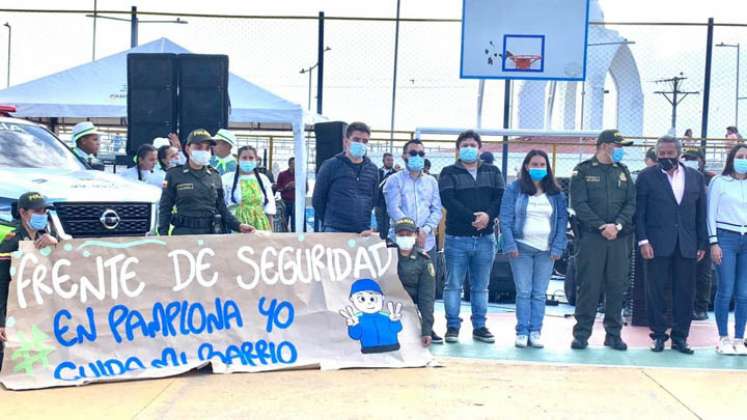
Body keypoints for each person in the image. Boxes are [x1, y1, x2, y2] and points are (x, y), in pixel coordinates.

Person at [636, 136, 706, 355]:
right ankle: (657, 335)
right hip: (656, 243)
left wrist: (702, 242)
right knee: (655, 290)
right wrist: (643, 240)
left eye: (670, 153)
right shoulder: (646, 177)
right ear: (657, 155)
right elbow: (639, 213)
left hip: (687, 243)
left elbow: (701, 213)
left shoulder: (695, 177)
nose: (666, 157)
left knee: (685, 292)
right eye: (662, 154)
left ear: (679, 153)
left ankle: (680, 338)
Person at [569, 129, 635, 351]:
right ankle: (582, 334)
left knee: (617, 286)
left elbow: (630, 204)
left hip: (618, 238)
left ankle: (613, 333)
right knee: (589, 285)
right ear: (605, 145)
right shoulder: (583, 171)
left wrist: (616, 225)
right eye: (618, 146)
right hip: (591, 238)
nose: (621, 150)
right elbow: (579, 204)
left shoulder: (623, 172)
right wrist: (601, 226)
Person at [438, 129, 505, 344]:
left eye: (472, 145)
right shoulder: (448, 172)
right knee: (453, 284)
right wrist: (473, 218)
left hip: (486, 239)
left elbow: (500, 198)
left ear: (480, 148)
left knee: (481, 286)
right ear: (458, 149)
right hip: (457, 238)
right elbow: (448, 200)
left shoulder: (493, 171)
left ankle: (480, 326)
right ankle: (452, 326)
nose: (468, 149)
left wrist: (488, 216)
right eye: (464, 145)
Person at [500, 150, 568, 349]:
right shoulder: (514, 189)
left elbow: (562, 221)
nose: (538, 168)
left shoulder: (556, 194)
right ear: (526, 166)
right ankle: (522, 331)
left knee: (539, 293)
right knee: (523, 291)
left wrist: (558, 246)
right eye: (534, 164)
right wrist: (510, 244)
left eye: (542, 165)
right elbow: (505, 218)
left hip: (547, 251)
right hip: (521, 249)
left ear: (547, 168)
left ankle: (535, 331)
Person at [158, 129, 255, 236]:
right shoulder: (174, 174)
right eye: (198, 147)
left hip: (210, 234)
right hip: (183, 234)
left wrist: (238, 225)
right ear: (187, 148)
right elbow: (165, 209)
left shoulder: (215, 175)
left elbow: (222, 208)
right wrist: (163, 237)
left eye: (207, 148)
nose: (203, 151)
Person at [0, 192, 59, 365]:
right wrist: (1, 322)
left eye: (45, 211)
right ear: (23, 213)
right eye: (38, 211)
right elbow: (2, 284)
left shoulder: (47, 236)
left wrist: (56, 243)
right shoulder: (12, 241)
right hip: (16, 309)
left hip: (40, 308)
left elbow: (65, 266)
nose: (43, 215)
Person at [708, 144, 747, 355]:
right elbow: (710, 214)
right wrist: (714, 242)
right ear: (732, 158)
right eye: (740, 156)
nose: (743, 160)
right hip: (726, 238)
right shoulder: (719, 182)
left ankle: (739, 338)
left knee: (744, 293)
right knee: (726, 290)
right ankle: (723, 338)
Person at [312, 121, 378, 234]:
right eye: (356, 140)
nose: (361, 144)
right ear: (346, 141)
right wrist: (331, 221)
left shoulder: (372, 169)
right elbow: (318, 199)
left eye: (365, 141)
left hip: (362, 230)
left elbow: (373, 198)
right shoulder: (330, 165)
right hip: (334, 229)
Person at [383, 139, 442, 256]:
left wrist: (425, 230)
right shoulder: (394, 180)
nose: (418, 156)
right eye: (413, 153)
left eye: (421, 154)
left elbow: (436, 210)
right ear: (404, 156)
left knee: (429, 274)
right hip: (401, 242)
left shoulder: (432, 181)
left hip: (426, 242)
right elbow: (393, 209)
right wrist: (413, 230)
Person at [394, 217, 440, 346]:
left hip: (410, 310)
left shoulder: (423, 261)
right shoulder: (386, 255)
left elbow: (427, 298)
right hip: (388, 308)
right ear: (395, 236)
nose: (405, 237)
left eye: (408, 234)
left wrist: (427, 330)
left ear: (415, 235)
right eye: (401, 235)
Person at [682, 148, 716, 321]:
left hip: (706, 227)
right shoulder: (681, 175)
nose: (691, 161)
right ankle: (685, 305)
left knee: (703, 271)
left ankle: (701, 307)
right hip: (686, 228)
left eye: (694, 159)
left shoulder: (710, 178)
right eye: (687, 158)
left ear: (702, 161)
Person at [223, 145, 276, 232]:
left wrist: (272, 232)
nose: (248, 161)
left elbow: (269, 207)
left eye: (251, 158)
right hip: (237, 225)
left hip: (261, 225)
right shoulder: (227, 179)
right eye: (244, 158)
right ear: (237, 160)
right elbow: (222, 206)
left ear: (256, 160)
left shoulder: (263, 179)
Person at [276, 157, 305, 232]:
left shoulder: (301, 175)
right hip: (284, 202)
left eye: (296, 164)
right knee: (284, 222)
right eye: (293, 164)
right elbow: (278, 189)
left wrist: (298, 186)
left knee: (295, 223)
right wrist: (286, 187)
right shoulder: (282, 174)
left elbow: (306, 189)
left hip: (296, 202)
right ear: (289, 164)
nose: (294, 166)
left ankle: (294, 238)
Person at [376, 153, 398, 240]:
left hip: (391, 203)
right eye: (388, 160)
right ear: (383, 161)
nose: (390, 162)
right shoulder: (377, 172)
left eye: (392, 160)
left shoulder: (395, 174)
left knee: (389, 224)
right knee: (379, 223)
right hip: (379, 202)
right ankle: (379, 242)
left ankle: (388, 242)